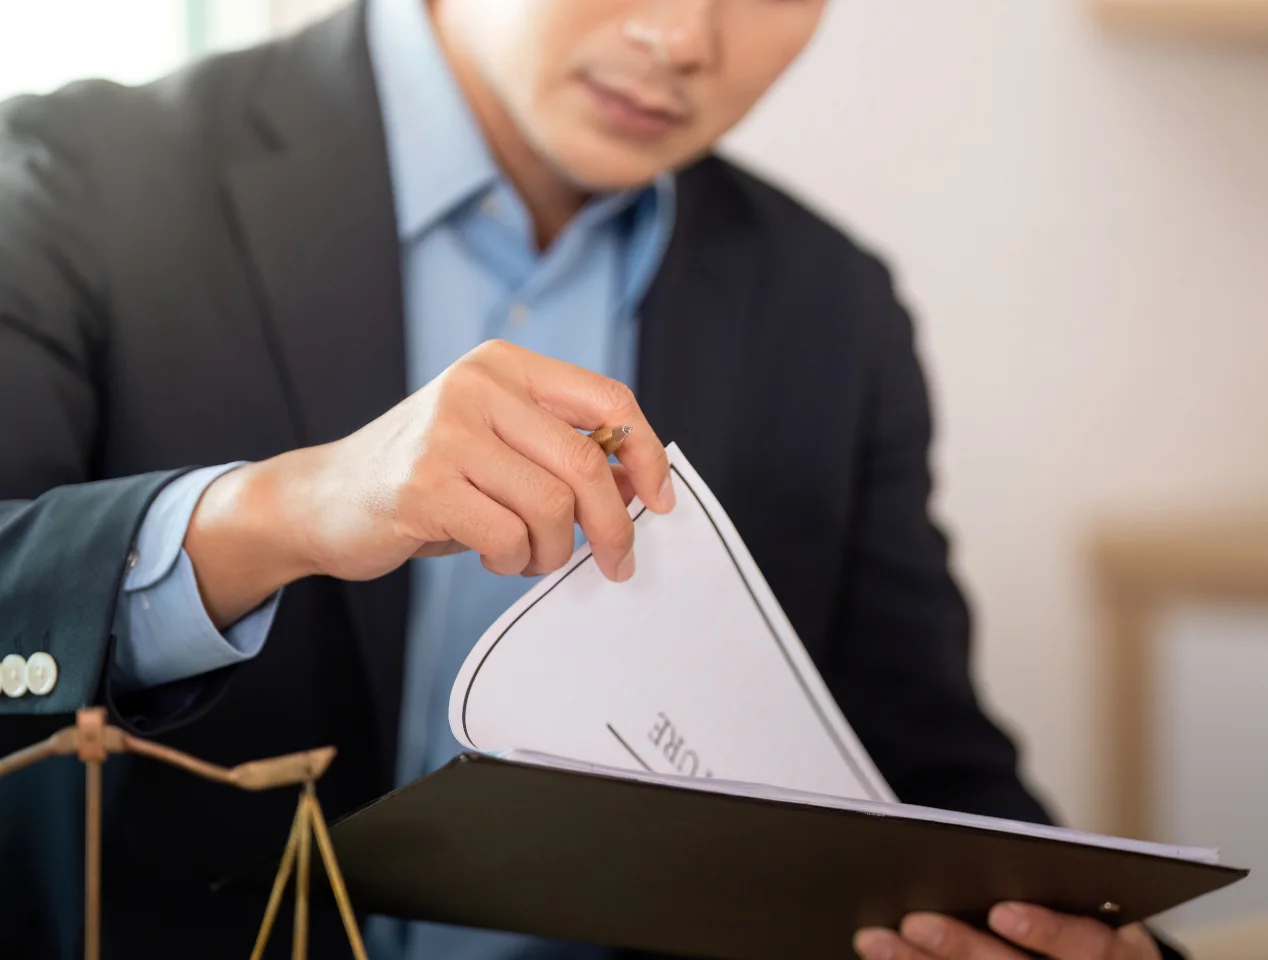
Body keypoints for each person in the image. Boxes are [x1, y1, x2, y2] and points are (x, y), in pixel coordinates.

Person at [0, 0, 1182, 958]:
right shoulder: (74, 177)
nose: (684, 40)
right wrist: (286, 511)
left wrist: (1070, 938)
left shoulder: (832, 308)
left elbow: (916, 770)